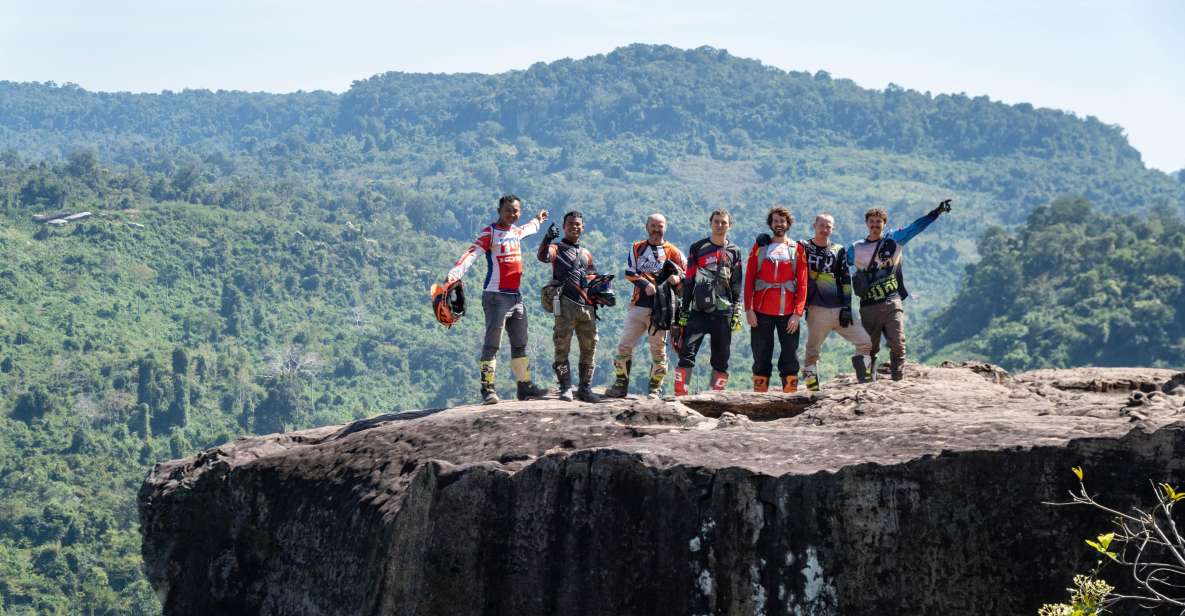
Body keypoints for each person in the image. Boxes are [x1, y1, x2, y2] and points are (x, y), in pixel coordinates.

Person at [445, 194, 551, 404]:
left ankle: (524, 386)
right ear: (499, 211)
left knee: (520, 343)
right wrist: (453, 275)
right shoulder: (490, 233)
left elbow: (530, 227)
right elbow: (471, 254)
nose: (512, 214)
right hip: (496, 296)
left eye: (516, 211)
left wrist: (538, 219)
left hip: (516, 296)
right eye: (508, 210)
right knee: (492, 345)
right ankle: (488, 390)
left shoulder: (516, 231)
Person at [847, 200, 951, 381]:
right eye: (871, 222)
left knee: (898, 343)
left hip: (891, 301)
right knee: (869, 347)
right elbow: (839, 264)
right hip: (868, 305)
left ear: (884, 224)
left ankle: (898, 379)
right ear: (866, 224)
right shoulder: (856, 248)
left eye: (878, 222)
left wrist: (936, 212)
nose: (875, 225)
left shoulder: (894, 239)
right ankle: (866, 383)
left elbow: (915, 227)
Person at [604, 213, 686, 398]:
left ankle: (655, 390)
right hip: (638, 306)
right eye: (653, 226)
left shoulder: (673, 251)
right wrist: (645, 284)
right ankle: (620, 386)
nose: (657, 230)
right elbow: (629, 272)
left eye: (660, 226)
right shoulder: (637, 247)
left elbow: (687, 272)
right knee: (624, 346)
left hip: (662, 309)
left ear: (666, 227)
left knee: (658, 350)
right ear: (647, 226)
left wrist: (677, 277)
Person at [674, 209, 743, 396]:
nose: (720, 225)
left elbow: (736, 283)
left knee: (721, 359)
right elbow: (689, 279)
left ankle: (715, 397)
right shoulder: (698, 248)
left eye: (724, 222)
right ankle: (680, 397)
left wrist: (737, 309)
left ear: (730, 225)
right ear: (710, 223)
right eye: (717, 221)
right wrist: (684, 309)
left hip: (723, 312)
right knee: (686, 353)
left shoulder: (734, 252)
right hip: (698, 310)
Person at [800, 213, 874, 390]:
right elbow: (783, 244)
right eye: (822, 225)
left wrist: (847, 307)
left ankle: (866, 386)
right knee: (812, 353)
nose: (825, 229)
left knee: (866, 343)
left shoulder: (838, 250)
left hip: (841, 308)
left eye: (829, 226)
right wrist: (765, 240)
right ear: (814, 225)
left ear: (833, 229)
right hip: (817, 310)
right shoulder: (803, 247)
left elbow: (845, 279)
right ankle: (812, 391)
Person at [537, 211, 602, 402]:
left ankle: (585, 389)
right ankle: (565, 388)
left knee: (589, 348)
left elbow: (592, 277)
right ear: (565, 227)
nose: (574, 227)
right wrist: (547, 238)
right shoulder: (556, 248)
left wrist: (602, 290)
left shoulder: (586, 254)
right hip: (564, 304)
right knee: (561, 346)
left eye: (578, 224)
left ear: (583, 228)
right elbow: (542, 256)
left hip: (587, 307)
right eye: (571, 224)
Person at [744, 207, 809, 392]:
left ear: (788, 224)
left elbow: (803, 283)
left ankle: (790, 392)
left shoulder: (797, 249)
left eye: (782, 221)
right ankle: (759, 394)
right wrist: (748, 309)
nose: (779, 224)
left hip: (788, 313)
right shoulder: (760, 247)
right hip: (760, 311)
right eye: (775, 221)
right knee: (761, 354)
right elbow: (749, 279)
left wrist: (797, 313)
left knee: (790, 355)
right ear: (770, 224)